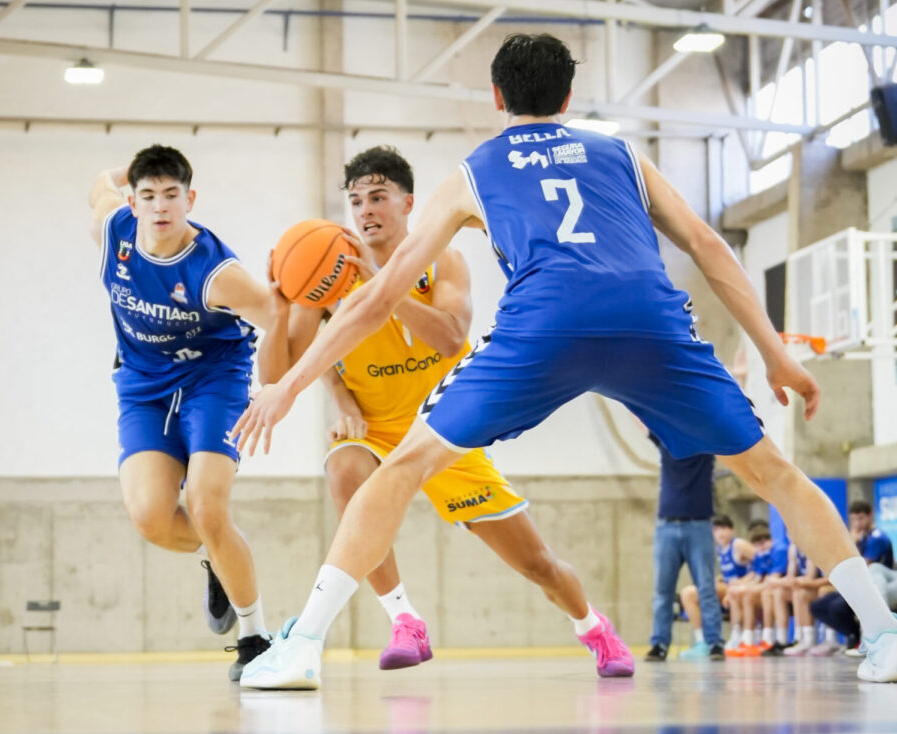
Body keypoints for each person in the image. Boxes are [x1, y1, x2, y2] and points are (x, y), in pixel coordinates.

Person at [233, 33, 897, 688]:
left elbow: (378, 295)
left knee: (402, 466)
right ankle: (886, 635)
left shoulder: (475, 170)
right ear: (569, 95)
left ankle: (305, 645)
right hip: (650, 321)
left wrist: (290, 385)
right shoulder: (622, 154)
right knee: (775, 474)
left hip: (543, 325)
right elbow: (704, 245)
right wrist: (774, 352)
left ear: (497, 96)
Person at [260, 145, 632, 676]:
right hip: (377, 430)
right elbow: (276, 375)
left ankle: (592, 626)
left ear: (408, 203)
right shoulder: (330, 278)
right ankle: (404, 619)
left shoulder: (442, 262)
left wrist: (380, 286)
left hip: (445, 431)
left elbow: (451, 337)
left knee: (538, 564)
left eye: (378, 196)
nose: (366, 209)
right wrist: (278, 311)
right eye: (356, 199)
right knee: (344, 469)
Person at [88, 145, 280, 680]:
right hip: (143, 385)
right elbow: (97, 186)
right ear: (133, 200)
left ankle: (254, 638)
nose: (159, 206)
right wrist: (125, 171)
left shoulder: (219, 273)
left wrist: (279, 385)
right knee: (150, 517)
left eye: (171, 194)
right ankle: (221, 558)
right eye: (147, 195)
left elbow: (282, 318)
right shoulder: (112, 231)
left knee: (207, 505)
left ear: (189, 199)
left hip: (213, 379)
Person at [643, 437, 723, 662]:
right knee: (662, 592)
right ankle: (659, 644)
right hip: (666, 525)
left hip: (699, 525)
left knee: (706, 588)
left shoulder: (706, 444)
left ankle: (715, 642)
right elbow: (642, 415)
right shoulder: (667, 441)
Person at [810, 500, 895, 656]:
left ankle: (868, 638)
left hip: (876, 585)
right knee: (818, 606)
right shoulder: (861, 537)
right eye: (854, 519)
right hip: (856, 586)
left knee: (837, 607)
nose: (857, 523)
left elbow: (859, 566)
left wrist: (852, 542)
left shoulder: (877, 537)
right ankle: (854, 635)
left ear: (870, 516)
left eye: (861, 518)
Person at [678, 514, 755, 656]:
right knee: (689, 593)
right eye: (716, 529)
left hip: (747, 588)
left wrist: (743, 581)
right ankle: (702, 642)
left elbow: (764, 565)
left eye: (724, 528)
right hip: (730, 587)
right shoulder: (719, 549)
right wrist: (721, 579)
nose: (720, 533)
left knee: (734, 593)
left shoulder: (738, 545)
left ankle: (738, 638)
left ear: (732, 530)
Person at [725, 526, 789, 657]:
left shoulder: (779, 550)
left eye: (761, 544)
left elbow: (774, 578)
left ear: (768, 541)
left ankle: (768, 637)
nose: (759, 549)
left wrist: (747, 588)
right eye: (756, 546)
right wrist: (742, 585)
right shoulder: (761, 553)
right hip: (770, 586)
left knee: (755, 594)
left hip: (781, 588)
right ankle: (746, 639)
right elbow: (757, 577)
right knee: (742, 594)